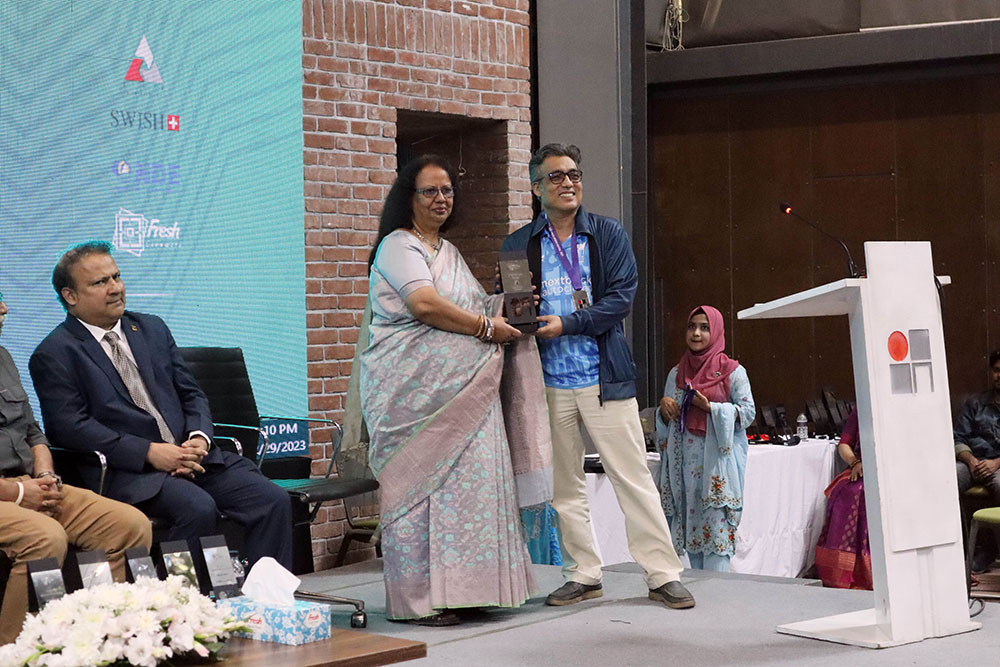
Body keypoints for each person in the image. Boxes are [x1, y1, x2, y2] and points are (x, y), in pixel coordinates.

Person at [500, 143, 695, 609]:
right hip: (547, 383)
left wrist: (568, 323)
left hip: (603, 377)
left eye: (574, 174)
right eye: (556, 177)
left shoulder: (606, 234)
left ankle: (662, 574)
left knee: (633, 479)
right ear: (536, 188)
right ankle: (583, 573)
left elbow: (621, 299)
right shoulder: (518, 244)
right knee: (564, 487)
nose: (568, 183)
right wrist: (517, 312)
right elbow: (507, 303)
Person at [360, 155, 551, 626]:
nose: (441, 198)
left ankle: (469, 592)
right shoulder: (398, 246)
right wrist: (487, 328)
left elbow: (468, 306)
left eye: (447, 190)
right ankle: (419, 601)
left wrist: (509, 307)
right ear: (409, 198)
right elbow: (425, 305)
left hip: (467, 393)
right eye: (430, 190)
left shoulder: (447, 250)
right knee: (419, 496)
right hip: (415, 401)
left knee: (470, 493)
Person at [28, 242, 292, 570]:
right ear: (70, 296)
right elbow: (70, 427)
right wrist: (149, 453)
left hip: (193, 458)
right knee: (197, 508)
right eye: (100, 282)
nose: (116, 288)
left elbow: (192, 394)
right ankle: (181, 597)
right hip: (131, 473)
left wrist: (199, 438)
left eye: (117, 277)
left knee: (272, 500)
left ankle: (263, 595)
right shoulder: (55, 353)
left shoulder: (151, 328)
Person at [0, 293, 151, 644]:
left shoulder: (3, 357)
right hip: (9, 493)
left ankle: (94, 641)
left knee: (130, 527)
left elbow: (33, 432)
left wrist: (44, 476)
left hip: (29, 483)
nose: (5, 309)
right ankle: (14, 652)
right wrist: (18, 493)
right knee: (44, 538)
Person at [655, 306, 754, 572]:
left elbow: (748, 413)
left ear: (717, 331)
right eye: (692, 327)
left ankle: (717, 596)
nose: (696, 333)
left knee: (717, 539)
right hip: (685, 472)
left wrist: (711, 408)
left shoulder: (733, 372)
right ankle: (698, 593)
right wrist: (663, 411)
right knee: (694, 539)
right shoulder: (677, 373)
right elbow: (666, 422)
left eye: (704, 328)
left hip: (716, 470)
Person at [813, 406, 871, 589]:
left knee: (866, 494)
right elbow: (844, 444)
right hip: (861, 467)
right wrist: (855, 462)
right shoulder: (862, 408)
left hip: (895, 469)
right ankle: (842, 571)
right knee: (848, 491)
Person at [954, 350, 1000, 573]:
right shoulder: (975, 404)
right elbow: (957, 438)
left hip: (998, 465)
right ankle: (963, 549)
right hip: (972, 462)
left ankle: (991, 549)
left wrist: (996, 463)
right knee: (948, 480)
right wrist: (971, 460)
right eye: (997, 370)